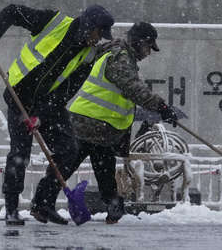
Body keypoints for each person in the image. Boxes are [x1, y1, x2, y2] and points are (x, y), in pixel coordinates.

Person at [29, 21, 179, 225]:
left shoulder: (117, 54)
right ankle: (43, 204)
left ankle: (112, 207)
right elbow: (133, 88)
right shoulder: (120, 58)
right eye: (147, 47)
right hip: (88, 123)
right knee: (68, 165)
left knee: (103, 166)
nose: (148, 53)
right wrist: (161, 107)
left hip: (100, 127)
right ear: (138, 41)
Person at [0, 3, 115, 226]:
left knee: (68, 149)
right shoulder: (54, 22)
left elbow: (67, 90)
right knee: (19, 154)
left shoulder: (89, 54)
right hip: (19, 97)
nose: (99, 39)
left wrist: (41, 116)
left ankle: (43, 202)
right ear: (88, 26)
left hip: (48, 104)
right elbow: (13, 11)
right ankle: (12, 209)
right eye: (99, 33)